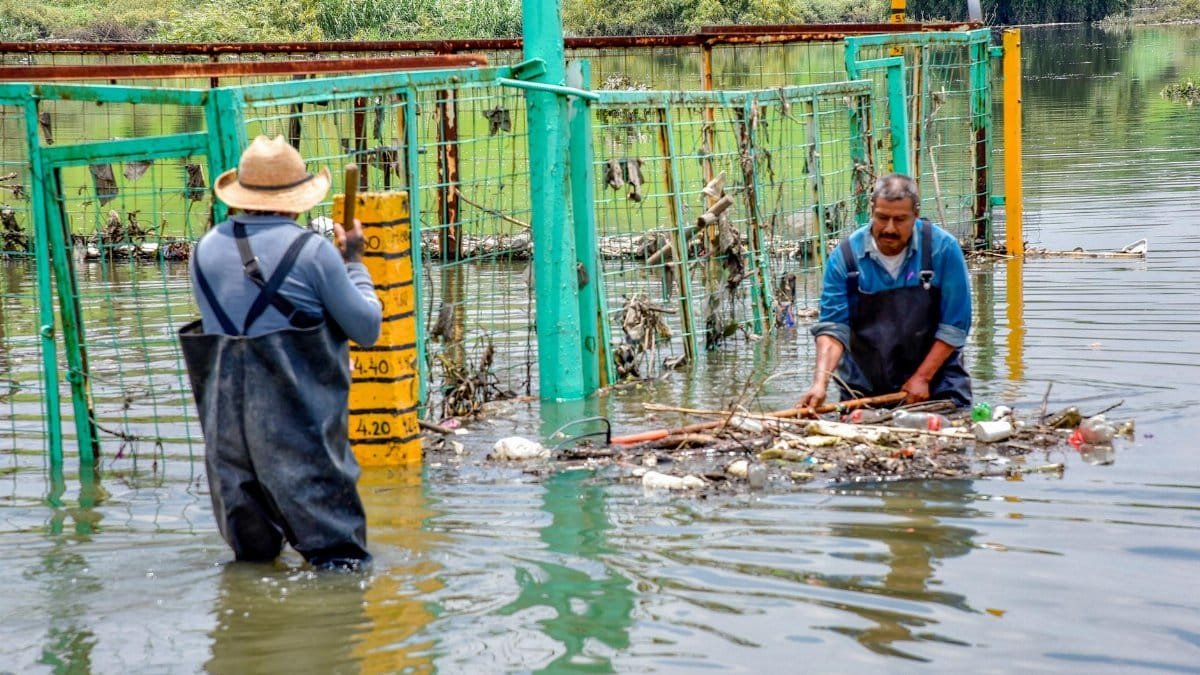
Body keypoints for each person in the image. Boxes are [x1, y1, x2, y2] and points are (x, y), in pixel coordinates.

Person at [179, 135, 382, 569]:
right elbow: (367, 329)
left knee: (252, 563)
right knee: (340, 563)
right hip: (298, 432)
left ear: (241, 196)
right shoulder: (312, 252)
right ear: (299, 198)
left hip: (227, 440)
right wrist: (355, 264)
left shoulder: (204, 251)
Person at [797, 173, 972, 410]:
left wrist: (923, 377)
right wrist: (820, 384)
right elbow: (833, 328)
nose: (889, 228)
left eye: (900, 219)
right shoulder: (846, 257)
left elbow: (955, 326)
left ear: (916, 215)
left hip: (937, 386)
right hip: (864, 391)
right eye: (882, 218)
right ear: (872, 210)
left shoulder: (943, 249)